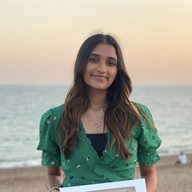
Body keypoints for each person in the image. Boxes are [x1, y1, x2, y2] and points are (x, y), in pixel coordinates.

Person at [37, 34, 161, 192]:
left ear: (118, 70)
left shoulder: (137, 116)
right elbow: (52, 174)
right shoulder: (55, 119)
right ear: (81, 64)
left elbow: (149, 175)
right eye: (93, 59)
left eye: (110, 63)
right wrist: (54, 189)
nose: (102, 69)